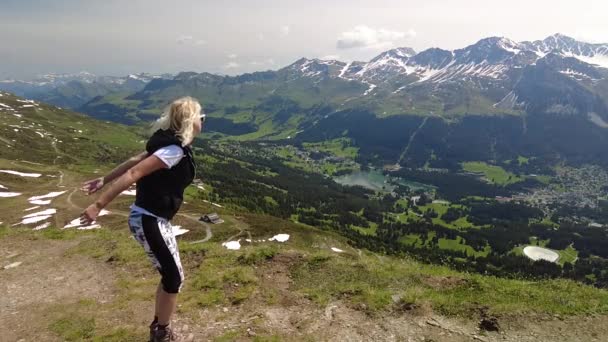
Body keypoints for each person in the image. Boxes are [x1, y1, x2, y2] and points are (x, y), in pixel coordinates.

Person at [80, 96, 204, 342]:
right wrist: (97, 205)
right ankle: (161, 332)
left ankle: (160, 326)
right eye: (201, 116)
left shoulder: (170, 143)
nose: (203, 120)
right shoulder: (172, 150)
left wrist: (103, 180)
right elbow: (135, 172)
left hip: (155, 219)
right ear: (190, 121)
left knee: (172, 275)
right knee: (173, 277)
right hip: (150, 220)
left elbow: (135, 161)